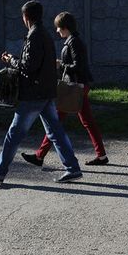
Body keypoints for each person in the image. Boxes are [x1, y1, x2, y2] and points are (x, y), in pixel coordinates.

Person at [0, 1, 82, 184]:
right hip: (46, 92)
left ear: (26, 17)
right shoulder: (45, 34)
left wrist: (11, 60)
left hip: (34, 94)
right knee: (55, 131)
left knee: (15, 133)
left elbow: (28, 67)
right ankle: (73, 168)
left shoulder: (34, 36)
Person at [21, 11, 109, 167]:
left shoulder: (74, 42)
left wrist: (60, 64)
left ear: (65, 27)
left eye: (58, 27)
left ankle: (40, 156)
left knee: (55, 122)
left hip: (75, 87)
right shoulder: (73, 41)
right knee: (84, 121)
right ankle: (101, 155)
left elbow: (79, 66)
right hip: (78, 86)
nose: (56, 31)